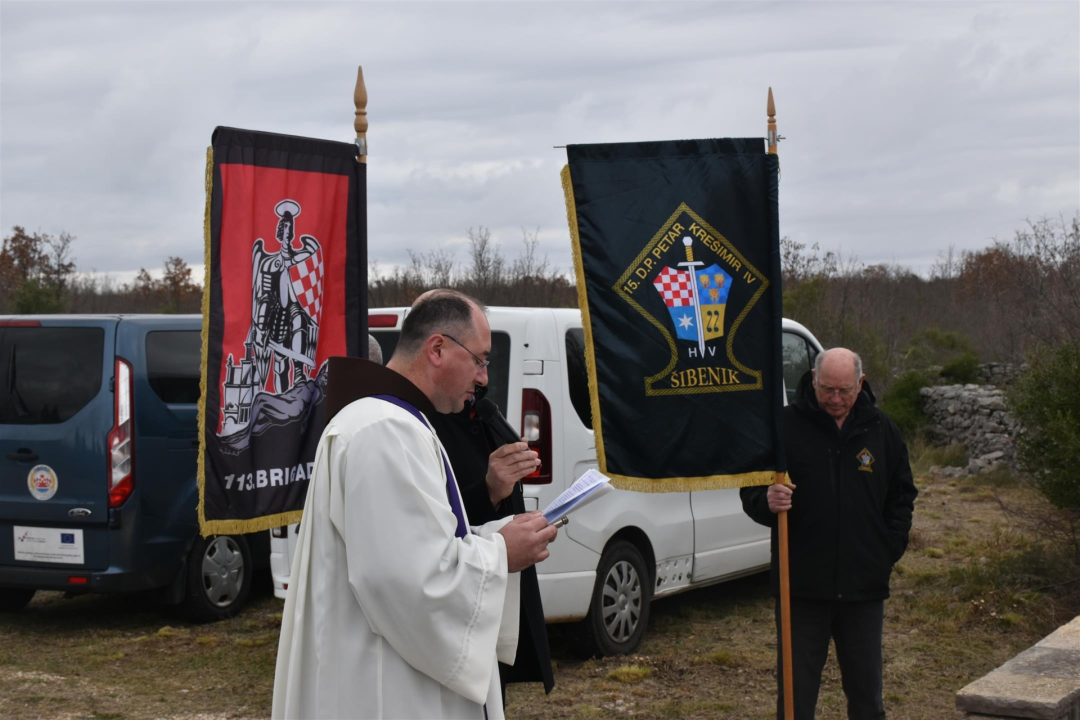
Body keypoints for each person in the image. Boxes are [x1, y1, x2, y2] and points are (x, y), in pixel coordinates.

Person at [272, 289, 558, 720]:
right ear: (438, 349)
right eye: (480, 360)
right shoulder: (385, 431)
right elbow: (406, 582)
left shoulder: (390, 422)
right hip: (386, 689)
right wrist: (501, 553)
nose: (483, 378)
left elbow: (415, 547)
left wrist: (494, 534)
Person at [740, 348, 917, 720]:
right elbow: (750, 490)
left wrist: (888, 548)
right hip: (801, 587)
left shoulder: (883, 430)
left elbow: (902, 495)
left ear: (861, 384)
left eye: (844, 391)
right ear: (813, 380)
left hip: (863, 588)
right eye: (827, 390)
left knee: (867, 696)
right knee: (796, 697)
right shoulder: (782, 427)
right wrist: (765, 500)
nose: (835, 399)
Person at [429, 385, 555, 700]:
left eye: (487, 360)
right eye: (478, 359)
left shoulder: (482, 412)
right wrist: (490, 490)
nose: (484, 375)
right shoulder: (418, 425)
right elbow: (433, 524)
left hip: (498, 595)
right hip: (455, 611)